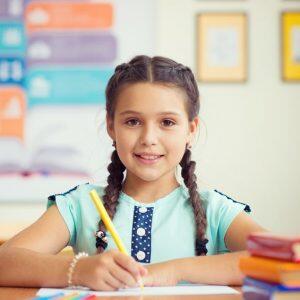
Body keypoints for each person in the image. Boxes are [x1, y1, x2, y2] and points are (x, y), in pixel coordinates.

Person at [0, 55, 265, 291]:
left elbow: (283, 263)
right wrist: (80, 270)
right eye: (133, 121)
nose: (149, 138)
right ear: (111, 126)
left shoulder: (215, 210)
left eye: (167, 122)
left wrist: (174, 270)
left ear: (191, 130)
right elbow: (5, 262)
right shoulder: (79, 204)